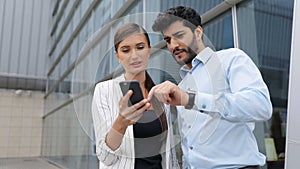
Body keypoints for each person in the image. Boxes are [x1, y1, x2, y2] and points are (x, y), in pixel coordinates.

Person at [148, 6, 273, 169]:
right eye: (168, 40)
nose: (173, 45)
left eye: (179, 36)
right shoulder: (183, 85)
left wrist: (191, 99)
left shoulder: (231, 59)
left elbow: (260, 106)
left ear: (198, 32)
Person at [92, 23, 179, 169]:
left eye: (140, 47)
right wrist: (121, 122)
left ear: (149, 50)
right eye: (126, 50)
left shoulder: (160, 96)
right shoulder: (104, 90)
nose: (134, 55)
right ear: (117, 56)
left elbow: (170, 155)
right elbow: (105, 157)